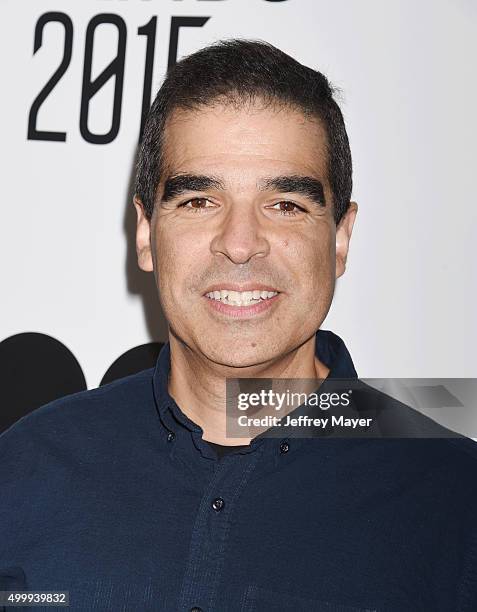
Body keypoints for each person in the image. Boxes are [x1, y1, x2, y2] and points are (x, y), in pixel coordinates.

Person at [1, 39, 476, 612]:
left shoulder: (456, 503)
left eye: (285, 205)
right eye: (200, 201)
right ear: (147, 233)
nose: (241, 244)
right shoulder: (25, 469)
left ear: (341, 237)